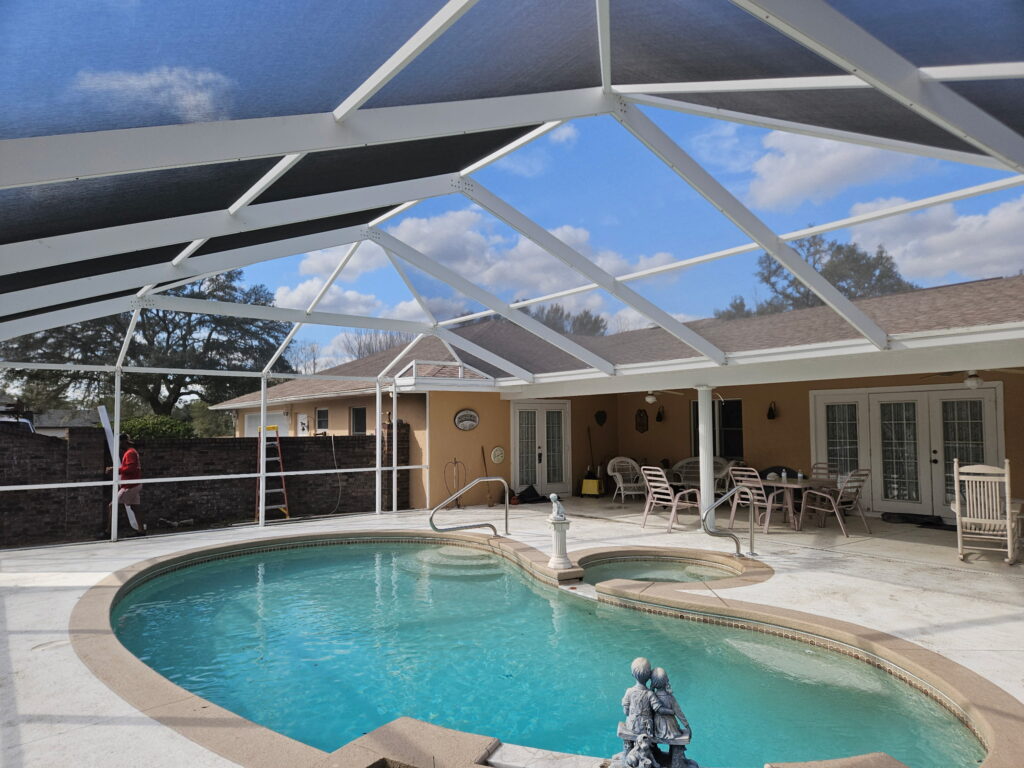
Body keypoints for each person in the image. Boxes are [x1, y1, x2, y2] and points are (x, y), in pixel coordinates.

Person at [100, 434, 146, 538]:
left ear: (124, 441)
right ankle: (141, 531)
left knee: (112, 506)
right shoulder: (131, 452)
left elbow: (131, 469)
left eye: (119, 442)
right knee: (135, 507)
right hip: (134, 484)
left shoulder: (130, 453)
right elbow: (130, 468)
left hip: (130, 485)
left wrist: (114, 469)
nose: (118, 445)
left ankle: (109, 532)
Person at [650, 667, 690, 741]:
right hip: (671, 729)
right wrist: (687, 726)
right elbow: (679, 713)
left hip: (657, 729)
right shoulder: (670, 697)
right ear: (666, 680)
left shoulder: (651, 697)